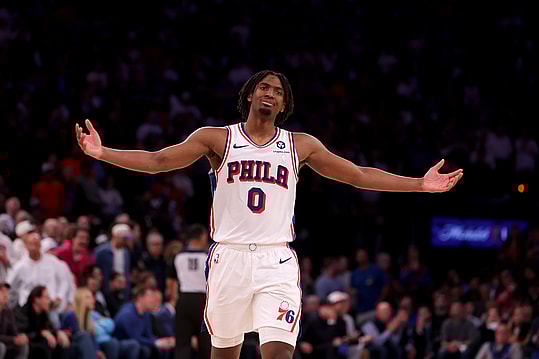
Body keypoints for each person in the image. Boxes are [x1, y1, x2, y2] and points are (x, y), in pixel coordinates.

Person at [76, 70, 464, 359]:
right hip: (228, 256)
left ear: (283, 104)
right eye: (264, 87)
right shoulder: (218, 138)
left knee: (278, 352)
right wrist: (103, 153)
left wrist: (420, 184)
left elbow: (359, 175)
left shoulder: (300, 145)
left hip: (276, 259)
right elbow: (159, 160)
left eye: (278, 92)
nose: (270, 94)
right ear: (249, 95)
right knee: (224, 353)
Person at [166, 223, 210, 359]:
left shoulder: (178, 256)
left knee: (182, 343)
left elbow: (170, 281)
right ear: (202, 237)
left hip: (184, 299)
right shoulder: (207, 256)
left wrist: (174, 298)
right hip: (203, 301)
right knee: (205, 344)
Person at [0, 282, 29, 359]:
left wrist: (20, 336)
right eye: (2, 291)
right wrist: (13, 340)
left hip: (4, 342)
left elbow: (14, 331)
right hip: (2, 344)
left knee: (23, 346)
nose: (6, 294)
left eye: (7, 291)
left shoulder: (7, 311)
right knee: (1, 347)